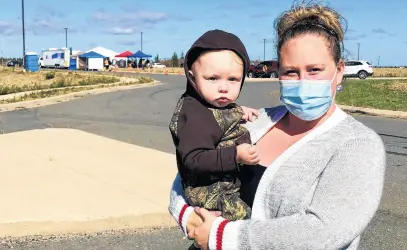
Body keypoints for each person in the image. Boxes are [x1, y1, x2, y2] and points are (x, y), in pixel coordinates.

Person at [168, 3, 386, 250]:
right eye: (291, 72)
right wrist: (191, 220)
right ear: (279, 73)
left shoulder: (357, 144)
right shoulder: (257, 120)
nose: (303, 81)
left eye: (314, 70)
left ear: (339, 71)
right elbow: (189, 173)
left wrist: (221, 236)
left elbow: (324, 231)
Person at [169, 29, 261, 231]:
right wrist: (235, 155)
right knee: (244, 226)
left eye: (233, 79)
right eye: (213, 78)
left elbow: (218, 112)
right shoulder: (194, 114)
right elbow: (194, 159)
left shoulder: (209, 103)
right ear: (192, 77)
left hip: (225, 187)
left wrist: (237, 111)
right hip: (213, 195)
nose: (223, 88)